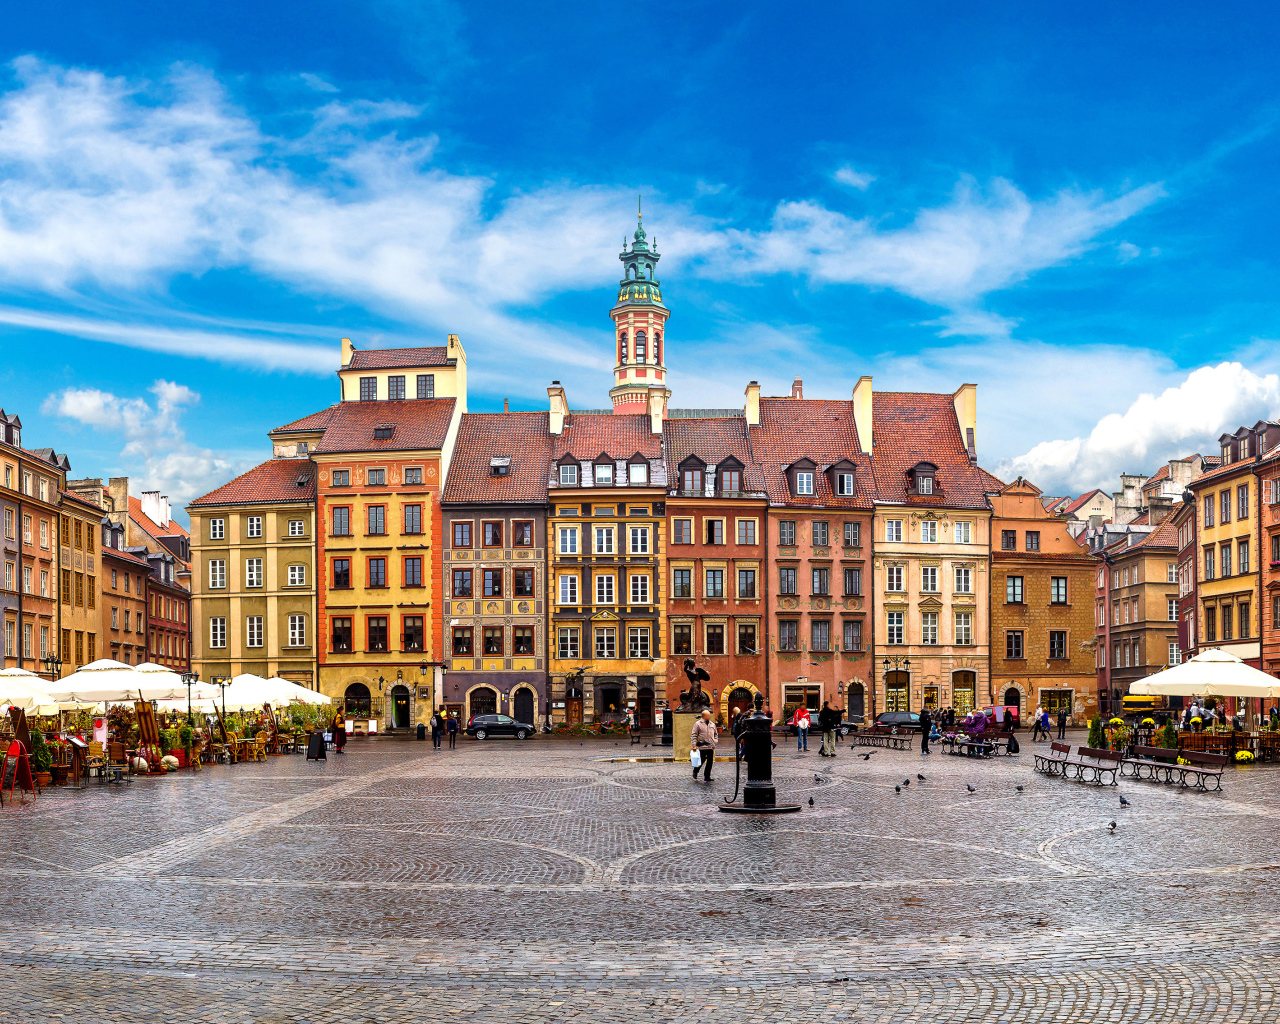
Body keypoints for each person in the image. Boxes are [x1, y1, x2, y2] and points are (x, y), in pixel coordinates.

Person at [691, 709, 718, 782]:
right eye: (707, 715)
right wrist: (694, 745)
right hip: (702, 746)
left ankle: (707, 777)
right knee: (701, 761)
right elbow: (694, 735)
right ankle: (696, 771)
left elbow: (716, 734)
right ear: (703, 716)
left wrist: (715, 742)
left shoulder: (712, 724)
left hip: (710, 746)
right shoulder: (698, 724)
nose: (709, 716)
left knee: (710, 762)